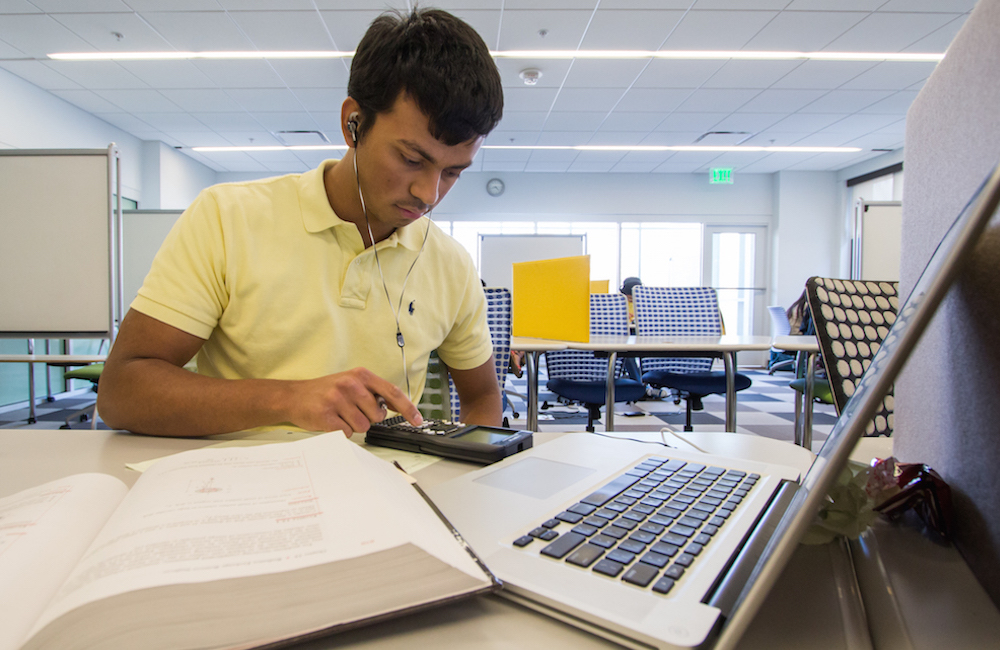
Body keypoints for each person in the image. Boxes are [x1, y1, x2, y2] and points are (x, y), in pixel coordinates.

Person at [98, 8, 504, 438]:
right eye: (410, 159)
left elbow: (482, 397)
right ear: (354, 123)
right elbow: (122, 391)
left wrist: (462, 469)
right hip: (239, 488)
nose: (429, 193)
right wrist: (287, 399)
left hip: (383, 492)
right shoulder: (227, 217)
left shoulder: (450, 264)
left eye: (453, 172)